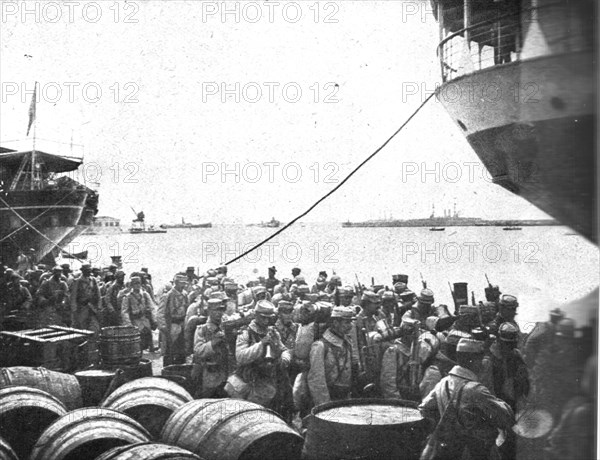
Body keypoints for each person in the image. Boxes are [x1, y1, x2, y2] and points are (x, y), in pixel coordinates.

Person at [419, 338, 514, 460]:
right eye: (480, 359)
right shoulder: (476, 390)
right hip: (476, 452)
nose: (482, 363)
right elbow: (507, 416)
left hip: (450, 450)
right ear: (472, 361)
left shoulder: (443, 382)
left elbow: (424, 408)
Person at [225, 300, 290, 408]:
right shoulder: (245, 332)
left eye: (269, 318)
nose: (266, 321)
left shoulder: (273, 332)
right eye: (263, 317)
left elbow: (284, 350)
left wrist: (283, 359)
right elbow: (240, 357)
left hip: (267, 381)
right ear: (255, 315)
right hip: (246, 381)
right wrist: (261, 344)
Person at [303, 306, 355, 411]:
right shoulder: (320, 346)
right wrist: (325, 407)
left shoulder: (346, 343)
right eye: (346, 322)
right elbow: (317, 380)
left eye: (350, 322)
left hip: (343, 399)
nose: (350, 326)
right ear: (335, 323)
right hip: (327, 400)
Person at [192, 298, 229, 398]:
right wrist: (213, 343)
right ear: (208, 311)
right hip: (210, 375)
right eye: (215, 310)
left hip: (226, 373)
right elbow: (198, 351)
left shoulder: (226, 325)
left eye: (220, 310)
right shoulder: (202, 329)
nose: (219, 313)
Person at [158, 274, 189, 366]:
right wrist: (163, 327)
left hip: (182, 324)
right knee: (169, 351)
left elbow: (187, 308)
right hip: (171, 325)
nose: (183, 285)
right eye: (181, 283)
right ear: (175, 283)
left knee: (181, 350)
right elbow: (160, 312)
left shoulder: (185, 294)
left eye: (184, 283)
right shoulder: (168, 295)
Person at [121, 276, 157, 351]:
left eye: (139, 283)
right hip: (135, 320)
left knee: (148, 335)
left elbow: (152, 307)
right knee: (137, 339)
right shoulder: (127, 297)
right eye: (135, 284)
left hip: (145, 319)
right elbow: (125, 311)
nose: (137, 285)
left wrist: (154, 319)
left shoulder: (145, 294)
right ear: (131, 285)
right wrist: (128, 324)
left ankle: (151, 349)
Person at [69, 264, 102, 333]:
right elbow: (73, 297)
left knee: (95, 327)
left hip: (92, 308)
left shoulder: (93, 280)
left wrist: (99, 306)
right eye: (87, 270)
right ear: (83, 271)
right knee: (81, 327)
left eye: (90, 270)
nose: (89, 272)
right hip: (81, 308)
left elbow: (98, 294)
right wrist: (74, 310)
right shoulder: (77, 281)